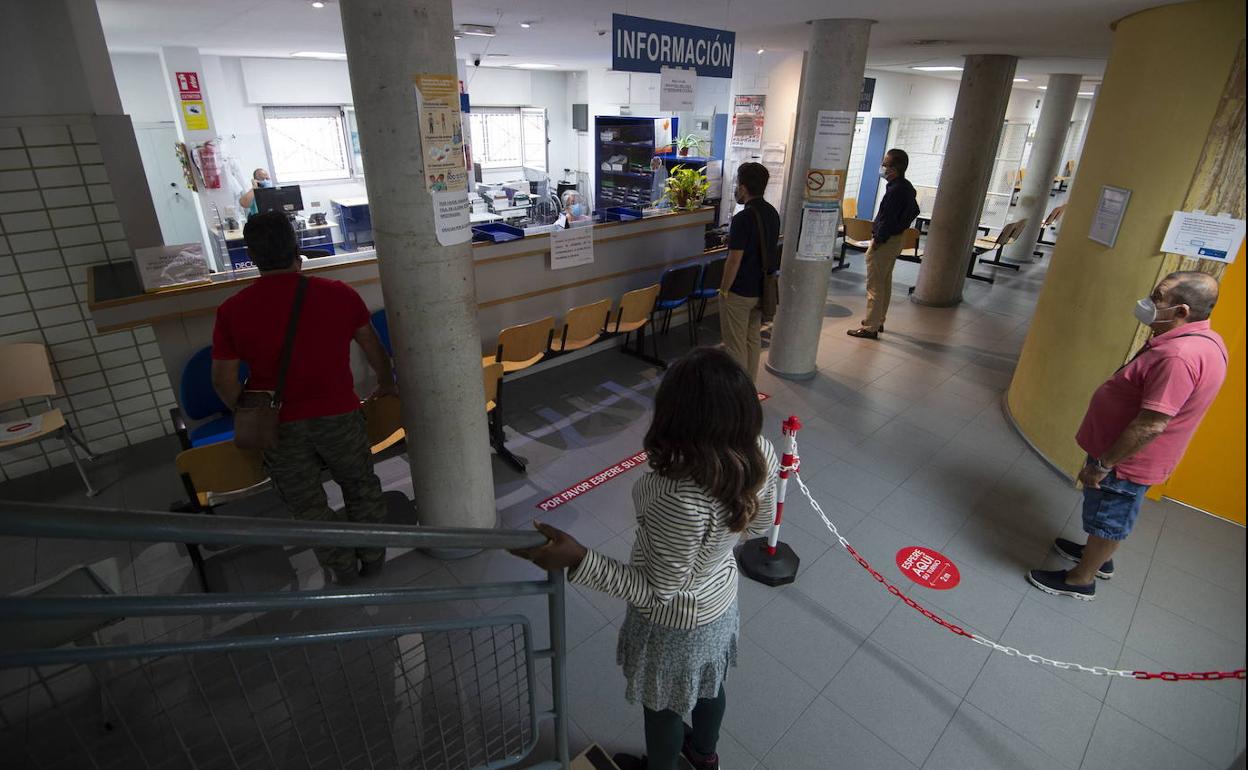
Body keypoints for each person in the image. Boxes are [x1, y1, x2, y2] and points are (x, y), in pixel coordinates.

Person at [511, 348, 780, 770]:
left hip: (676, 626)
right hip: (722, 600)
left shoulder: (677, 495)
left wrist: (578, 558)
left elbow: (657, 592)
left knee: (663, 708)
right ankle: (704, 757)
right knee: (709, 686)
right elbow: (761, 525)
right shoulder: (761, 452)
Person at [210, 211, 398, 585]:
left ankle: (343, 570)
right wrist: (385, 383)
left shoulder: (232, 311)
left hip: (280, 428)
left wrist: (248, 412)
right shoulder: (339, 294)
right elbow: (373, 347)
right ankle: (373, 560)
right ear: (297, 249)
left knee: (309, 507)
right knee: (360, 487)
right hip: (340, 416)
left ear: (251, 255)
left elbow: (223, 381)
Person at [1028, 272, 1228, 600]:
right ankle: (1097, 557)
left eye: (1157, 297)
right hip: (1127, 456)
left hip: (1125, 463)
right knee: (1108, 512)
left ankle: (1081, 580)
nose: (1148, 302)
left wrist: (1103, 464)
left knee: (1111, 516)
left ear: (1182, 312)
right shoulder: (1202, 340)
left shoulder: (1179, 356)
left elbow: (1151, 424)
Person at [847, 148, 919, 340]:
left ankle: (870, 327)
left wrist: (878, 239)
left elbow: (886, 219)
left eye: (885, 164)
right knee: (885, 282)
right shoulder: (906, 187)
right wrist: (900, 226)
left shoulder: (895, 191)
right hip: (896, 239)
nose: (882, 167)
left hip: (885, 242)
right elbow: (915, 210)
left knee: (874, 285)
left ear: (894, 169)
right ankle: (879, 320)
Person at [719, 162, 780, 382]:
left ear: (743, 187)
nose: (736, 187)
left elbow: (734, 260)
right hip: (760, 289)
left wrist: (724, 290)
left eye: (737, 183)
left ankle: (738, 395)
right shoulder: (772, 213)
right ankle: (750, 387)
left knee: (735, 345)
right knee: (752, 339)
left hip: (740, 291)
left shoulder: (743, 218)